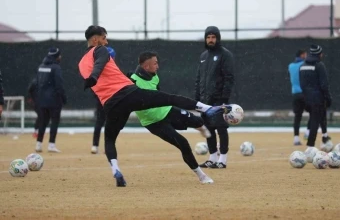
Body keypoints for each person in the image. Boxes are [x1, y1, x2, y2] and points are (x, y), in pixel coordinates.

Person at [78, 25, 230, 187]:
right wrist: (95, 76)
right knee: (170, 98)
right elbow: (100, 63)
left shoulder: (81, 64)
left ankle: (115, 169)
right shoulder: (100, 50)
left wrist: (93, 78)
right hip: (128, 95)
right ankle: (207, 109)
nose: (106, 42)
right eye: (104, 38)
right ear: (95, 39)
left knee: (109, 139)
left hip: (111, 104)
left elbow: (98, 71)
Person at [128, 51, 213, 184]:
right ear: (146, 66)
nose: (158, 66)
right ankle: (201, 175)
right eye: (155, 63)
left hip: (167, 110)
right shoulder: (132, 82)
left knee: (198, 121)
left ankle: (201, 128)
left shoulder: (154, 76)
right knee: (183, 143)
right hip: (154, 123)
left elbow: (158, 95)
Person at [195, 26, 235, 169]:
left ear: (218, 38)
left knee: (221, 127)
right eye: (208, 37)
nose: (211, 40)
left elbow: (229, 78)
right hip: (205, 100)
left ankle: (222, 160)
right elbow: (199, 79)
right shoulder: (203, 56)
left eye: (213, 37)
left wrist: (224, 98)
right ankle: (212, 158)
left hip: (219, 99)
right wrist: (197, 98)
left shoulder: (225, 55)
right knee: (208, 128)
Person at [299, 45, 333, 151]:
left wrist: (305, 98)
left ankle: (325, 137)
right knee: (315, 120)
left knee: (320, 116)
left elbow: (302, 84)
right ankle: (310, 146)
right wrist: (328, 97)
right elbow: (324, 84)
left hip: (306, 98)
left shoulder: (302, 66)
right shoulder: (319, 65)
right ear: (319, 54)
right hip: (318, 98)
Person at [35, 48, 67, 153]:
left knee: (43, 122)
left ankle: (38, 144)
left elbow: (37, 83)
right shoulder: (56, 68)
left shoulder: (41, 66)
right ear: (56, 56)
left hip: (41, 100)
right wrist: (63, 97)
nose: (61, 57)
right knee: (54, 122)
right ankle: (51, 145)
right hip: (54, 100)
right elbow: (59, 85)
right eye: (59, 55)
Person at [90, 46, 115, 154]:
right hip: (109, 99)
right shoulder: (112, 70)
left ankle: (95, 146)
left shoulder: (97, 68)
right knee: (110, 123)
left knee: (99, 122)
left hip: (101, 99)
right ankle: (107, 147)